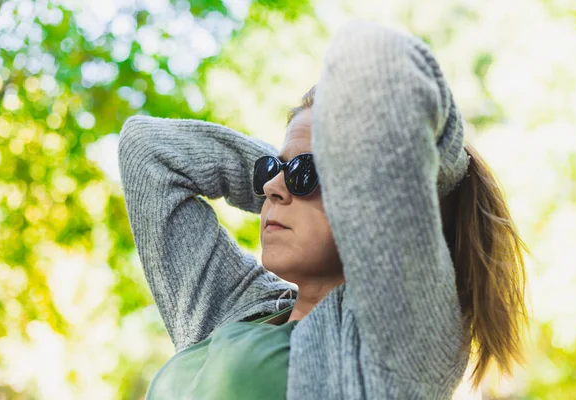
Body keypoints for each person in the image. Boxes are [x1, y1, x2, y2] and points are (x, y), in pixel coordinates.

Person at [118, 19, 529, 399]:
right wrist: (288, 172)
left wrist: (412, 175)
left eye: (309, 170)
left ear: (373, 199)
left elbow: (374, 57)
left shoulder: (399, 343)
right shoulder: (236, 310)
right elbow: (147, 152)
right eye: (274, 171)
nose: (271, 189)